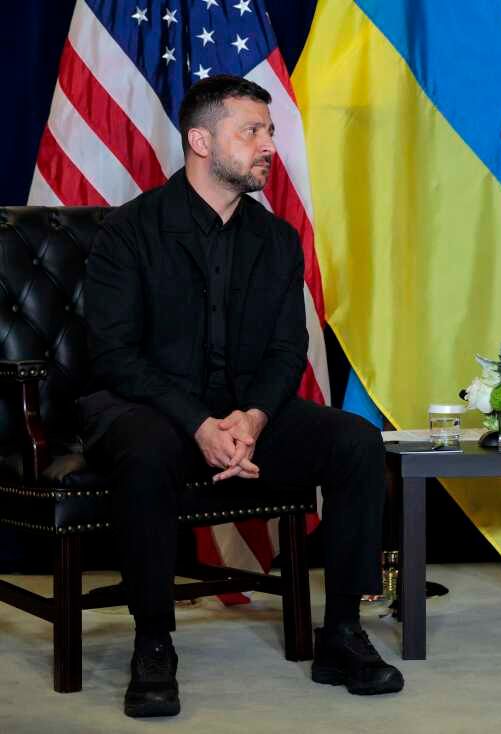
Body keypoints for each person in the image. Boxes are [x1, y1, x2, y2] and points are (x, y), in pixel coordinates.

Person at [81, 75, 403, 718]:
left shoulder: (277, 239)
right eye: (251, 131)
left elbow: (287, 350)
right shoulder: (129, 230)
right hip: (151, 409)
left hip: (243, 413)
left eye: (270, 132)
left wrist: (252, 419)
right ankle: (153, 643)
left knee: (356, 441)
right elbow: (115, 355)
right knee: (145, 452)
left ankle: (341, 633)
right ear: (201, 141)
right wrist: (199, 423)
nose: (268, 146)